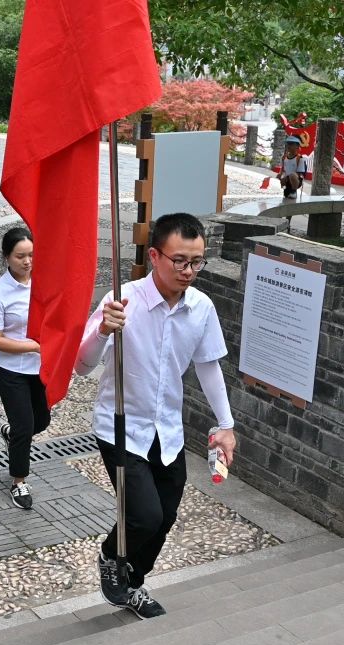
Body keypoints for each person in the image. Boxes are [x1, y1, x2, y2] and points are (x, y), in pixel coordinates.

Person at [74, 212, 237, 619]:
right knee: (144, 516)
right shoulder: (121, 301)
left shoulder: (201, 307)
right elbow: (81, 364)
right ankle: (111, 555)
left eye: (196, 262)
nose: (189, 271)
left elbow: (208, 366)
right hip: (121, 426)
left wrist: (226, 426)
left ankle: (133, 583)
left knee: (164, 517)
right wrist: (103, 330)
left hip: (168, 429)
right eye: (179, 260)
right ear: (154, 256)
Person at [0, 227, 47, 509]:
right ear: (7, 257)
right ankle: (18, 481)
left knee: (41, 421)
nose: (27, 261)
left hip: (39, 367)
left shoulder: (42, 284)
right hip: (11, 369)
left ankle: (11, 434)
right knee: (24, 426)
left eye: (31, 255)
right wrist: (33, 346)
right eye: (20, 256)